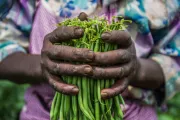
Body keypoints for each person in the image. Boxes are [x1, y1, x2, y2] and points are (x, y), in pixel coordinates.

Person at [0, 0, 179, 120]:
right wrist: (43, 65)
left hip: (131, 114)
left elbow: (174, 63)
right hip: (43, 113)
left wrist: (136, 69)